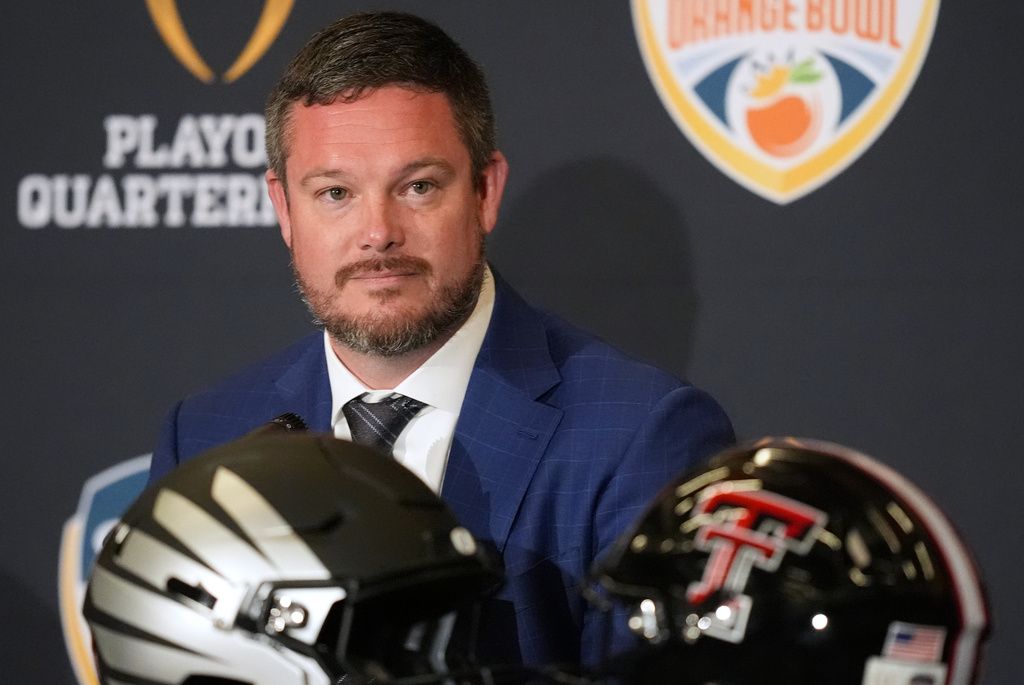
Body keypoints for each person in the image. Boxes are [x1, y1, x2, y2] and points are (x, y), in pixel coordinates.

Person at [149, 11, 734, 671]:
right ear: (284, 208)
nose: (378, 233)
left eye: (418, 187)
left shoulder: (641, 436)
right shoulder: (204, 437)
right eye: (335, 192)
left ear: (485, 191)